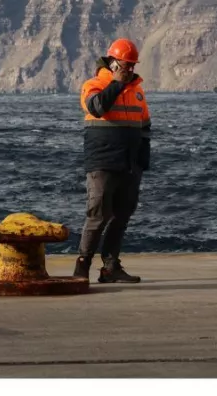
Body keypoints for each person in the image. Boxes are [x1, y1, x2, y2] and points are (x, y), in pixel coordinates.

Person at [74, 38, 151, 283]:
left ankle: (110, 267)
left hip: (129, 164)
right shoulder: (93, 85)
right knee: (97, 215)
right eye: (125, 65)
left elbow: (145, 125)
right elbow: (96, 108)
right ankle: (81, 268)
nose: (129, 69)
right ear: (113, 63)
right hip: (103, 161)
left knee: (121, 216)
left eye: (132, 65)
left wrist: (142, 160)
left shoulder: (137, 91)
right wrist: (116, 84)